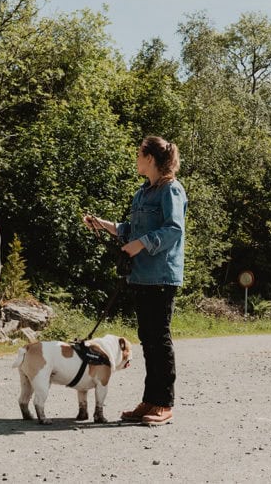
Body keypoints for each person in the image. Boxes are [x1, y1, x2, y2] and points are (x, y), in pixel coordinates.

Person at [83, 135, 187, 426]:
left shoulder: (171, 191)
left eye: (139, 154)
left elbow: (174, 229)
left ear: (150, 158)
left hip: (162, 276)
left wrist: (141, 244)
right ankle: (150, 401)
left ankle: (164, 403)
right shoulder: (141, 193)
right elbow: (131, 229)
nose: (136, 158)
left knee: (159, 338)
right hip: (140, 275)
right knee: (148, 339)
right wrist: (104, 225)